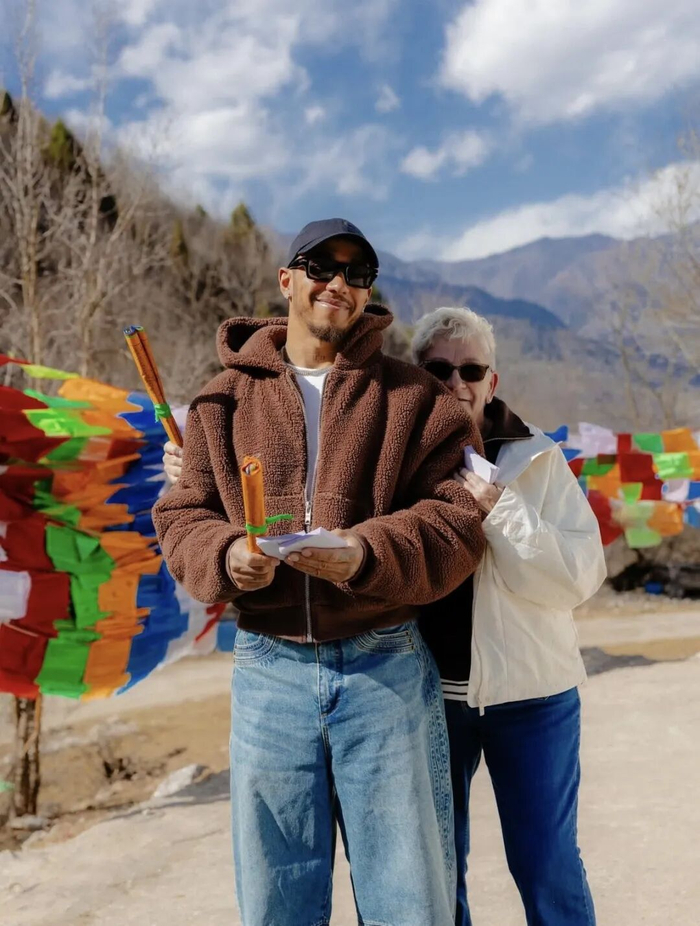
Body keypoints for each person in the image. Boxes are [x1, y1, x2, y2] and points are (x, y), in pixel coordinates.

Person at [152, 219, 486, 926]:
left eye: (358, 272)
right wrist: (226, 556)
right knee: (277, 903)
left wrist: (366, 552)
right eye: (321, 266)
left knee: (408, 903)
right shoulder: (220, 402)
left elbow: (457, 519)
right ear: (287, 280)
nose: (339, 282)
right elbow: (182, 516)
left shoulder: (416, 400)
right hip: (268, 673)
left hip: (387, 669)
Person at [414, 306, 607, 926]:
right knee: (435, 871)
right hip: (427, 699)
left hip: (534, 698)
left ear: (491, 381)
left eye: (471, 370)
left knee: (547, 865)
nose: (456, 382)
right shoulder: (392, 458)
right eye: (439, 369)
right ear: (417, 376)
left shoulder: (537, 458)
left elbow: (577, 577)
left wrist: (501, 509)